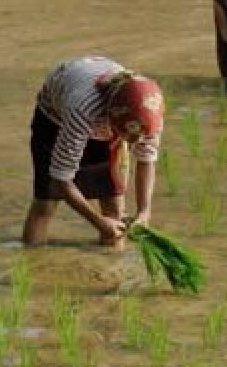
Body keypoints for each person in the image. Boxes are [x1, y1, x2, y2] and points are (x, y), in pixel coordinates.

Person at [22, 57, 165, 247]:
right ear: (112, 122)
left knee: (114, 206)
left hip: (109, 113)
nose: (135, 143)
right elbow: (61, 178)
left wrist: (144, 212)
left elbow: (146, 160)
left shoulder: (149, 109)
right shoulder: (83, 111)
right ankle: (32, 259)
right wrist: (96, 221)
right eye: (126, 136)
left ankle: (111, 269)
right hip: (54, 118)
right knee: (46, 203)